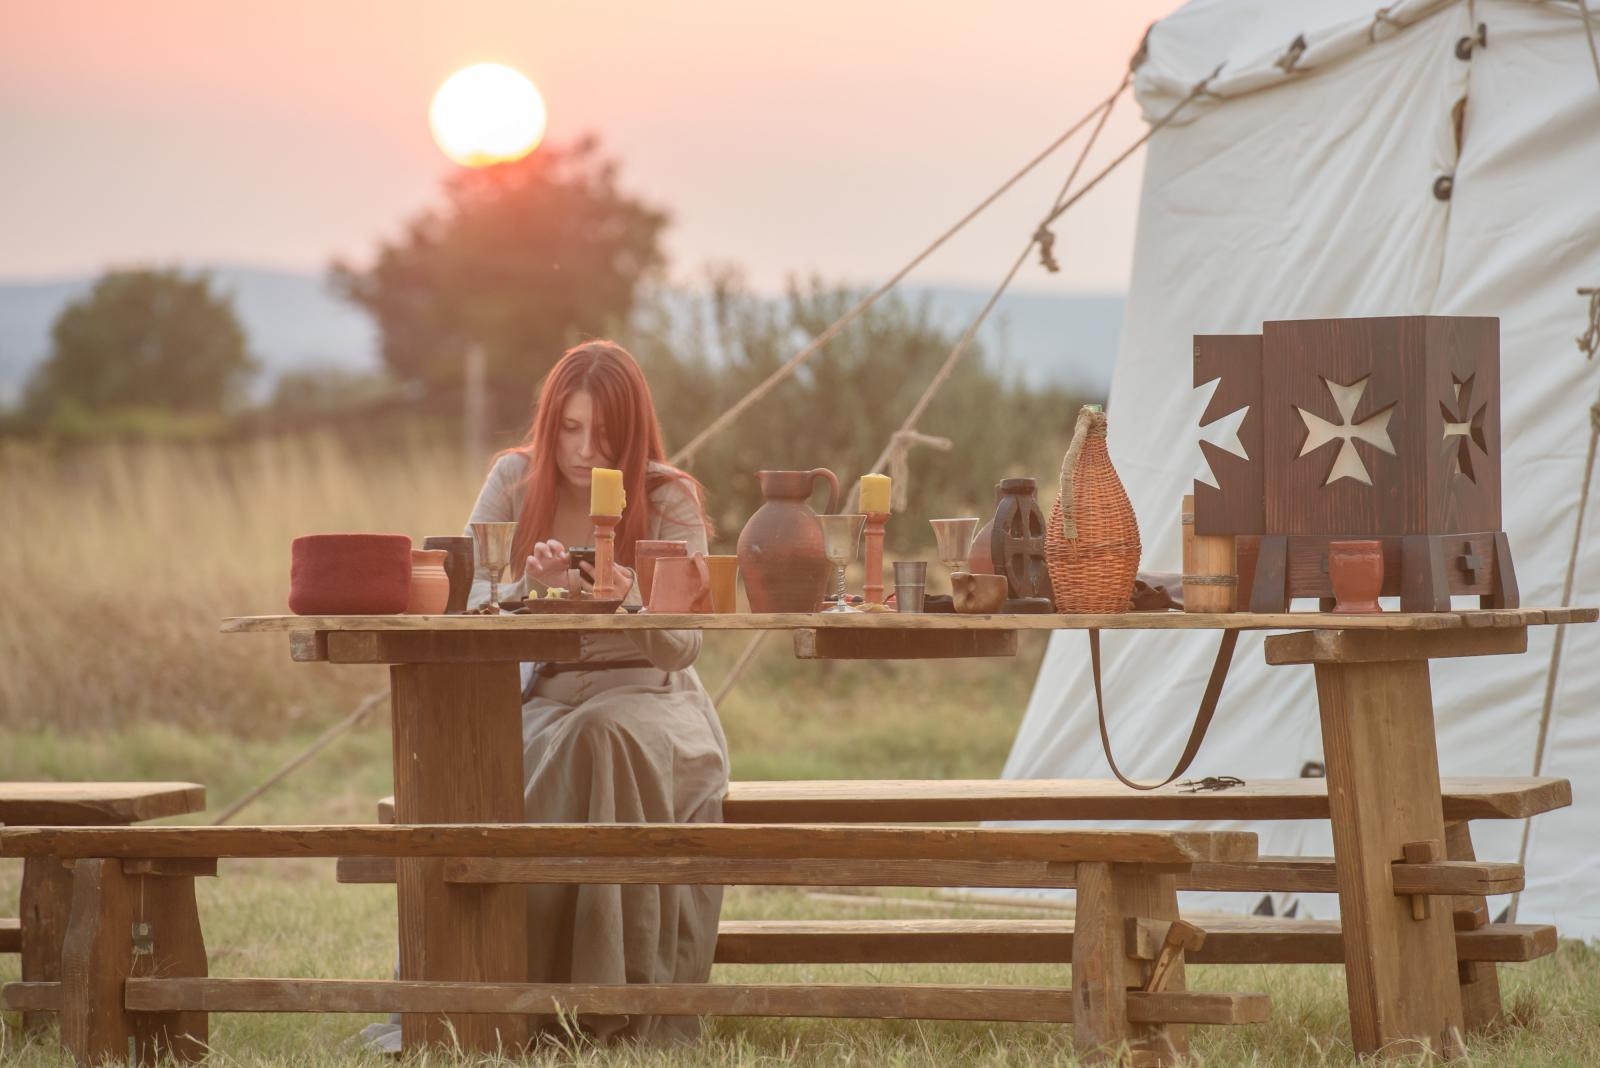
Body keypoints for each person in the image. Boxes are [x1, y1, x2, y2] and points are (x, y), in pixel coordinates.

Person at [468, 340, 730, 1044]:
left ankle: (613, 1001)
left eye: (605, 435)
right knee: (534, 752)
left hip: (655, 700)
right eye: (571, 430)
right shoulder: (513, 484)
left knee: (604, 732)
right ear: (549, 423)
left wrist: (631, 598)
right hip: (547, 700)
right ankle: (517, 994)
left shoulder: (667, 496)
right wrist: (529, 591)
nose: (585, 451)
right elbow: (468, 608)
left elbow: (685, 644)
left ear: (633, 433)